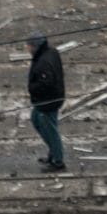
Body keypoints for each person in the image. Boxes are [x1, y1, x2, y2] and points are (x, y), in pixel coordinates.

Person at [25, 32, 66, 172]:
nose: (27, 48)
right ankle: (53, 153)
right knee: (35, 119)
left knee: (50, 130)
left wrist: (33, 89)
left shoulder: (43, 62)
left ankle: (58, 161)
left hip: (48, 101)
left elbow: (47, 83)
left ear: (36, 46)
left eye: (29, 46)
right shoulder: (50, 52)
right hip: (48, 100)